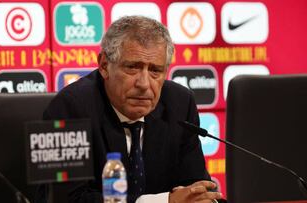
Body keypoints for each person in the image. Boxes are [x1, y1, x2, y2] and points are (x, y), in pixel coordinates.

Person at [42, 16, 224, 203]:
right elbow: (67, 199)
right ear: (104, 65)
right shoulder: (70, 108)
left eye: (155, 70)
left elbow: (196, 188)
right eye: (132, 68)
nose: (144, 84)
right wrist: (164, 202)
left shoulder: (179, 103)